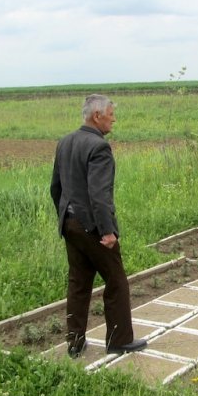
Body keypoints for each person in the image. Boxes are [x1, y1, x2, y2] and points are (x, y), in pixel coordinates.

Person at [50, 94, 147, 358]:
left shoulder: (65, 142)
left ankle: (75, 342)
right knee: (116, 281)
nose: (114, 119)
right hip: (92, 227)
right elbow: (99, 194)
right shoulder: (99, 147)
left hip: (69, 224)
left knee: (78, 284)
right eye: (110, 114)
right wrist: (106, 230)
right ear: (97, 116)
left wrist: (67, 217)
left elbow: (55, 188)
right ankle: (119, 340)